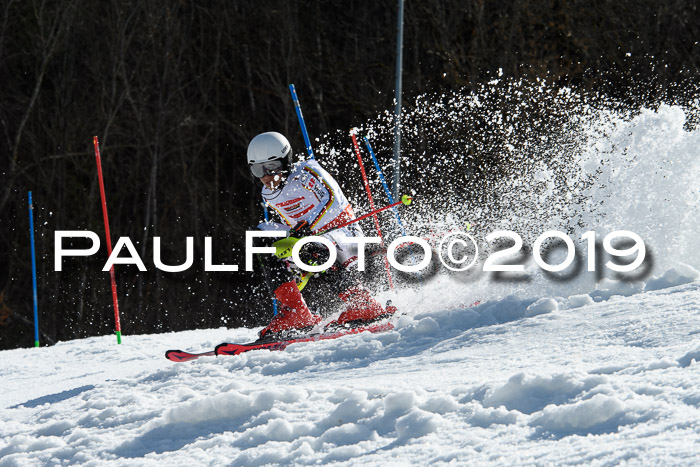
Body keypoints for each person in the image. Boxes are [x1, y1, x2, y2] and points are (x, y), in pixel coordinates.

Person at [247, 131, 395, 338]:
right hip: (311, 238)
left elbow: (333, 201)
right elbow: (290, 227)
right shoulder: (268, 193)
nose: (266, 176)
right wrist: (287, 259)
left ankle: (362, 303)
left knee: (310, 245)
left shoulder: (307, 172)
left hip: (345, 235)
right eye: (258, 170)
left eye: (272, 168)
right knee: (260, 237)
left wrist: (307, 228)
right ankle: (296, 311)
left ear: (286, 161)